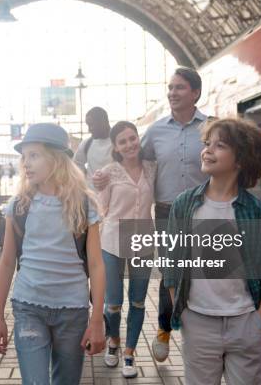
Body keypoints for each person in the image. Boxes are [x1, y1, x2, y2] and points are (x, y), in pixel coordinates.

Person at [93, 66, 209, 362]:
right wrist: (102, 178)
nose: (172, 92)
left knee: (210, 273)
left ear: (195, 92)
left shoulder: (210, 127)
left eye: (179, 87)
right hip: (168, 212)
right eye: (170, 87)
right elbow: (131, 161)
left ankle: (204, 333)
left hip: (205, 212)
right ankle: (163, 331)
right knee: (170, 275)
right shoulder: (155, 131)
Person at [164, 118, 261, 384]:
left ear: (240, 159)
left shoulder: (256, 211)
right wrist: (183, 314)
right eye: (207, 144)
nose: (207, 150)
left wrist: (257, 322)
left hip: (244, 321)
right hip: (198, 321)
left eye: (220, 145)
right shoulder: (185, 205)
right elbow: (172, 264)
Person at [0, 123, 106, 385]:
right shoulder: (19, 205)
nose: (26, 164)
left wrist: (97, 319)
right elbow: (7, 263)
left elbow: (97, 264)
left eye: (34, 155)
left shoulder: (83, 204)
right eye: (24, 157)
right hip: (28, 307)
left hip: (73, 311)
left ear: (56, 158)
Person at [97, 121, 156, 378]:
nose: (129, 144)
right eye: (123, 141)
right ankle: (113, 342)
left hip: (143, 241)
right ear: (116, 147)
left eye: (132, 138)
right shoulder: (108, 173)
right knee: (113, 303)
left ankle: (130, 353)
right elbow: (102, 210)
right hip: (111, 241)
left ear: (138, 139)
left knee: (138, 301)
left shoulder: (152, 169)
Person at [74, 107, 112, 189]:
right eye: (88, 125)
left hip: (119, 198)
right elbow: (77, 164)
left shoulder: (119, 142)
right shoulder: (86, 144)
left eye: (92, 125)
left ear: (104, 122)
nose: (89, 129)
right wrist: (86, 182)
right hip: (93, 199)